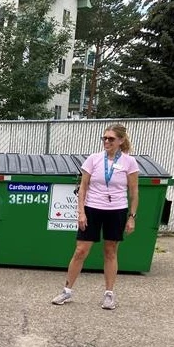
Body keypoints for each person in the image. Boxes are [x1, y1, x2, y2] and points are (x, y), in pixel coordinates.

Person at [52, 123, 139, 310]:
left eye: (111, 139)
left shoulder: (129, 162)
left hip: (116, 210)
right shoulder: (93, 159)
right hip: (92, 208)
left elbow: (134, 191)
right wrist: (81, 212)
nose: (107, 141)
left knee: (110, 251)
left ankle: (109, 294)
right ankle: (67, 291)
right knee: (80, 250)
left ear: (121, 141)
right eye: (104, 138)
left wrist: (131, 216)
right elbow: (83, 187)